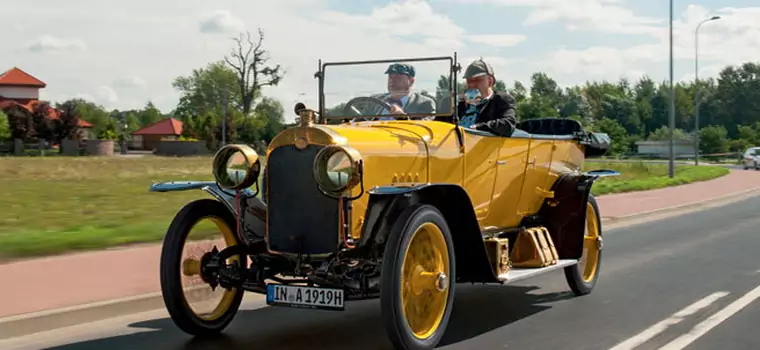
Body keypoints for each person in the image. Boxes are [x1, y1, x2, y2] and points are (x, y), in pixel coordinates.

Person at [437, 59, 518, 136]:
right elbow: (437, 124)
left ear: (490, 81)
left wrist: (478, 127)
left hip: (483, 147)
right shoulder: (455, 102)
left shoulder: (501, 100)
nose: (472, 85)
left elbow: (508, 124)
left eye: (477, 80)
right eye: (469, 81)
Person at [370, 63, 436, 120]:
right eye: (390, 77)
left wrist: (402, 117)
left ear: (411, 81)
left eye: (398, 78)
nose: (392, 81)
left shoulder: (424, 103)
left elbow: (423, 128)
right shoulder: (375, 100)